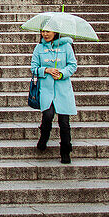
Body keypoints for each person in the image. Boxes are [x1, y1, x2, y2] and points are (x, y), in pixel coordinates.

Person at [31, 29, 78, 163]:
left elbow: (72, 65)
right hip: (46, 89)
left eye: (48, 32)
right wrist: (45, 70)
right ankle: (44, 137)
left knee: (64, 122)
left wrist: (62, 73)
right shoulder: (39, 47)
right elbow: (33, 67)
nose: (45, 34)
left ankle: (65, 150)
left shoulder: (66, 46)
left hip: (62, 89)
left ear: (55, 32)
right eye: (43, 32)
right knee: (48, 115)